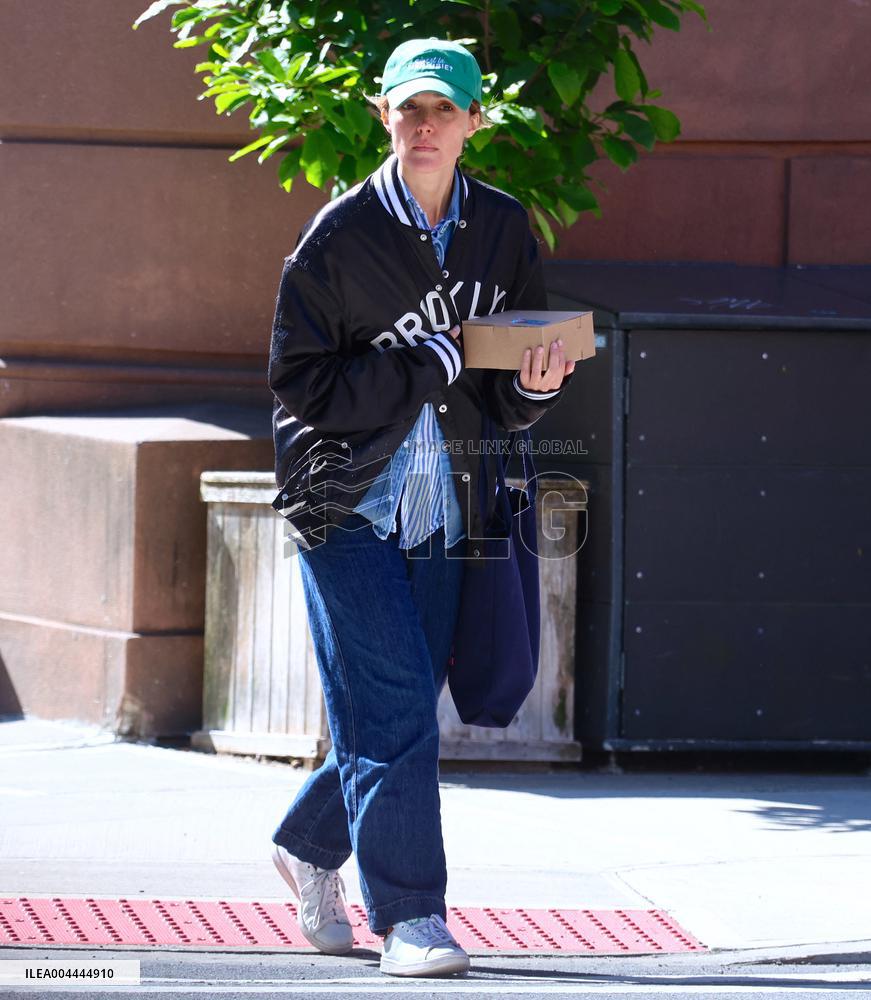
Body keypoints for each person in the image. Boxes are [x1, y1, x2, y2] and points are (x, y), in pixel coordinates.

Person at [266, 37, 575, 978]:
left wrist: (536, 386)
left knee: (398, 701)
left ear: (475, 121)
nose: (425, 126)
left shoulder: (505, 228)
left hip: (454, 499)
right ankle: (411, 916)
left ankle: (309, 844)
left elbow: (503, 383)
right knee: (394, 698)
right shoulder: (338, 236)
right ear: (384, 116)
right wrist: (424, 362)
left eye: (443, 110)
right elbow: (300, 383)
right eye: (410, 109)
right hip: (342, 499)